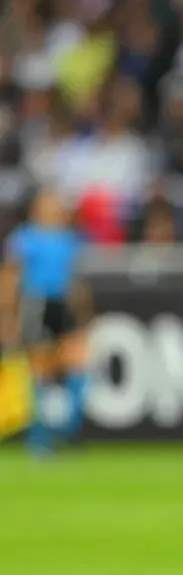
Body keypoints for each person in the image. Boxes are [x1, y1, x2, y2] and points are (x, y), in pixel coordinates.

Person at [0, 189, 90, 455]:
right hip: (37, 303)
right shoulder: (25, 238)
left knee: (78, 366)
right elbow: (11, 278)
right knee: (41, 370)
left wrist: (84, 316)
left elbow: (77, 281)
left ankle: (68, 429)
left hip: (64, 304)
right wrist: (8, 317)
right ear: (37, 208)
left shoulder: (70, 239)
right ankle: (40, 439)